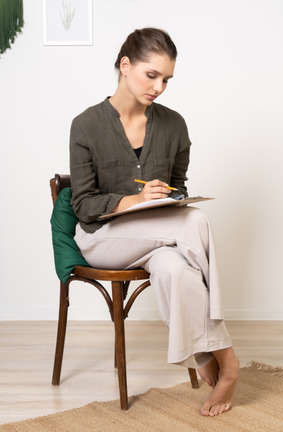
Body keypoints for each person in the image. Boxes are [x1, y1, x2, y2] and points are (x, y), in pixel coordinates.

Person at [69, 27, 239, 417]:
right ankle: (228, 361)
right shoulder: (86, 125)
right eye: (152, 75)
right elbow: (83, 204)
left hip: (161, 236)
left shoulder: (174, 125)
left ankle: (203, 356)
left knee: (176, 271)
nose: (160, 87)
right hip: (104, 237)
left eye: (167, 79)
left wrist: (171, 196)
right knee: (194, 222)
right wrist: (134, 199)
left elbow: (178, 186)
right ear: (125, 66)